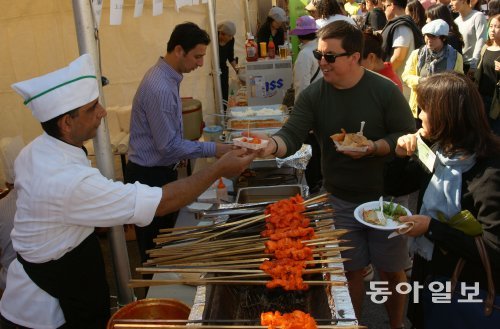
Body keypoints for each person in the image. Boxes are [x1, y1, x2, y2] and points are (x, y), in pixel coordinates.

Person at [0, 54, 255, 329]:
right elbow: (161, 202)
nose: (103, 111)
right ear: (66, 123)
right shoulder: (68, 182)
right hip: (43, 311)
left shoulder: (36, 150)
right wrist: (218, 169)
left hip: (56, 272)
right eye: (92, 107)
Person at [256, 21, 416, 328]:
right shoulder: (315, 95)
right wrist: (269, 146)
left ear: (354, 57)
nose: (321, 63)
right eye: (319, 55)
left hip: (384, 199)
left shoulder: (384, 90)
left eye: (330, 57)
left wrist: (376, 147)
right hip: (340, 198)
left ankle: (396, 324)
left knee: (392, 270)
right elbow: (291, 133)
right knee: (349, 271)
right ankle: (352, 325)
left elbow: (406, 135)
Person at [388, 72, 500, 328]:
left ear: (446, 116)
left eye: (425, 109)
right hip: (428, 272)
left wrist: (431, 228)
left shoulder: (489, 172)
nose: (419, 115)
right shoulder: (440, 149)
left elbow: (495, 249)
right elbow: (394, 185)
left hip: (468, 288)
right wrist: (400, 155)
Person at [125, 22, 233, 264]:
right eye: (197, 56)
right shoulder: (159, 86)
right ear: (178, 50)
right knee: (156, 252)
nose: (200, 64)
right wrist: (215, 149)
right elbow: (169, 146)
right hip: (149, 176)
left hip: (158, 171)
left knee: (165, 244)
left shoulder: (168, 77)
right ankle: (154, 299)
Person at [402, 19, 463, 122]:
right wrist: (421, 81)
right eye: (427, 36)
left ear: (443, 38)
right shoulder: (417, 54)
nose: (429, 40)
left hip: (443, 108)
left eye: (433, 37)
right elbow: (406, 76)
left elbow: (459, 82)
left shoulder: (456, 57)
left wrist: (440, 84)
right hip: (420, 107)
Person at [290, 15, 324, 194]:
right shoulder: (320, 49)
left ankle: (314, 182)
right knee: (319, 145)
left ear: (299, 36)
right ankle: (319, 179)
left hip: (310, 108)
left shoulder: (304, 54)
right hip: (323, 104)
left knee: (311, 147)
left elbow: (301, 88)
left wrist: (299, 116)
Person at [381, 0, 425, 99]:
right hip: (399, 83)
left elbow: (399, 56)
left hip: (401, 84)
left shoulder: (401, 26)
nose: (384, 11)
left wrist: (383, 74)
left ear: (392, 5)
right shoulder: (403, 24)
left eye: (385, 7)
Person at [475, 13, 500, 134]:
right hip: (482, 98)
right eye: (491, 26)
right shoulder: (486, 47)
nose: (492, 30)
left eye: (497, 27)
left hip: (497, 101)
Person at [451, 0, 487, 75]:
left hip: (474, 65)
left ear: (463, 1)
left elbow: (481, 40)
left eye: (453, 0)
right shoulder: (455, 21)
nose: (451, 3)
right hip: (459, 66)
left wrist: (474, 65)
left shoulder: (478, 16)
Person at [217, 20, 238, 110]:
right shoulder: (213, 40)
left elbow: (230, 57)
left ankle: (224, 114)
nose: (231, 38)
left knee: (225, 93)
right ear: (222, 34)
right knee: (217, 94)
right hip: (213, 70)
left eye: (232, 36)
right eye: (229, 36)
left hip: (223, 69)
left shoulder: (231, 40)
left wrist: (238, 70)